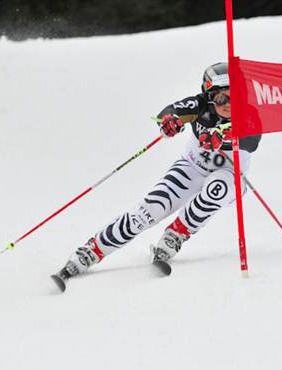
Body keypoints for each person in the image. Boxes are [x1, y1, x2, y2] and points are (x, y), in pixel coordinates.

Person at [51, 62, 261, 290]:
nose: (229, 104)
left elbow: (252, 141)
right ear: (209, 96)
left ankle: (177, 234)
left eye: (234, 97)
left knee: (216, 188)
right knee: (152, 208)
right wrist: (169, 122)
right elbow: (172, 110)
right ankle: (93, 250)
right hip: (191, 168)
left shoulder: (248, 114)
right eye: (222, 99)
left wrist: (224, 136)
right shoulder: (199, 105)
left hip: (230, 176)